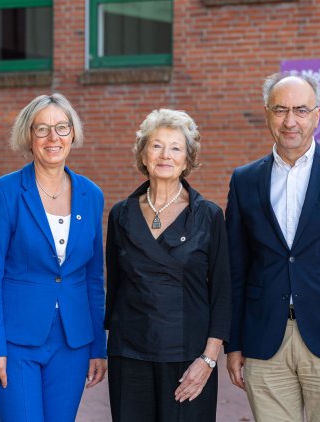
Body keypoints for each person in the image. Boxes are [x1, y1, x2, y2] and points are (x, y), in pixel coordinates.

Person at [225, 73, 320, 421]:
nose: (290, 121)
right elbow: (236, 268)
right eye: (280, 110)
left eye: (300, 110)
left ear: (317, 114)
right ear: (267, 113)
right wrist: (233, 343)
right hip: (264, 340)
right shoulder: (245, 180)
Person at [0, 94, 107, 421]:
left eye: (62, 128)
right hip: (17, 341)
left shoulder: (91, 195)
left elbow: (94, 278)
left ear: (72, 134)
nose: (53, 138)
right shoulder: (5, 192)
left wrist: (97, 348)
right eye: (42, 129)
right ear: (28, 136)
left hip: (73, 341)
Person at [105, 109, 231, 421]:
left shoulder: (208, 216)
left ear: (188, 160)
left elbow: (223, 292)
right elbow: (115, 289)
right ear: (143, 155)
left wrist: (208, 359)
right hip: (130, 355)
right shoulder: (120, 215)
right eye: (157, 146)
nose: (165, 155)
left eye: (175, 148)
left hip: (188, 357)